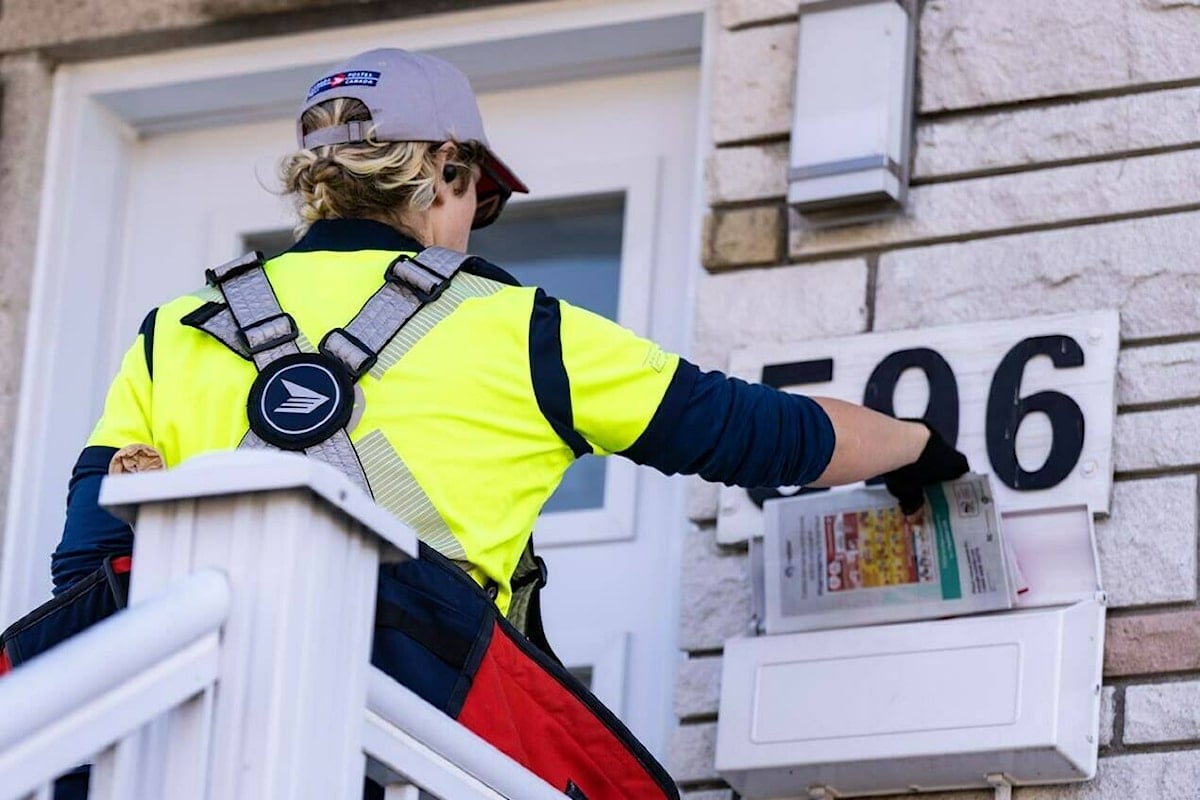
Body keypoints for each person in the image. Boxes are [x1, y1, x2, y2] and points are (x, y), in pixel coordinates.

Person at [43, 48, 968, 797]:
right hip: (423, 741)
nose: (474, 222)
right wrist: (916, 449)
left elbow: (85, 567)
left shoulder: (177, 330)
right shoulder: (522, 330)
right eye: (478, 195)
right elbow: (756, 433)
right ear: (444, 171)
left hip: (183, 755)